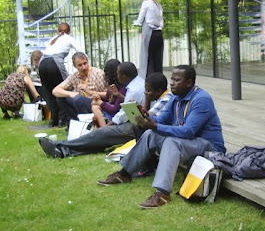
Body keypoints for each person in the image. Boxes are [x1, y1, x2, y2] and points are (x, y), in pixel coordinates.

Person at [97, 65, 225, 209]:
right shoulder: (175, 97)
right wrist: (145, 117)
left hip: (209, 147)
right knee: (151, 134)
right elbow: (161, 119)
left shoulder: (201, 99)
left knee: (171, 141)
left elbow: (188, 131)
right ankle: (124, 174)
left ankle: (163, 193)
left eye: (177, 80)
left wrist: (155, 125)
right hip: (188, 142)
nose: (172, 83)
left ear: (189, 83)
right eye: (172, 79)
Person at [38, 71, 170, 159]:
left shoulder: (165, 98)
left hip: (141, 127)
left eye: (148, 91)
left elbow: (148, 117)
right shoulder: (153, 94)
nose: (145, 93)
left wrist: (145, 101)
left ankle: (61, 145)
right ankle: (64, 150)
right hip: (138, 125)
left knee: (101, 134)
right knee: (102, 139)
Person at [38, 23, 82, 127]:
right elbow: (80, 52)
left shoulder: (53, 39)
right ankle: (63, 119)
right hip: (54, 63)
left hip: (42, 63)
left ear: (57, 31)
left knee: (49, 91)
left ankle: (53, 119)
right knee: (64, 89)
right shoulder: (69, 38)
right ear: (69, 31)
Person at [53, 52, 107, 121]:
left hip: (96, 103)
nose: (84, 67)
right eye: (80, 65)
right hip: (80, 102)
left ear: (88, 62)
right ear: (74, 66)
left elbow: (108, 95)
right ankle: (75, 121)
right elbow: (55, 91)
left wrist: (92, 92)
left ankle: (87, 122)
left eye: (85, 63)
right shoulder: (74, 76)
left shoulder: (98, 73)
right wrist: (70, 93)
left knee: (78, 99)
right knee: (61, 98)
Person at [133, 0, 164, 79]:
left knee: (147, 56)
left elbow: (141, 16)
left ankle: (148, 77)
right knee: (158, 57)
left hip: (149, 32)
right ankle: (158, 77)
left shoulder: (146, 3)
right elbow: (161, 19)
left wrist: (137, 22)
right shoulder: (157, 4)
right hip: (158, 32)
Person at [91, 59, 123, 128]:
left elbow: (114, 110)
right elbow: (107, 99)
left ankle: (104, 129)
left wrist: (100, 102)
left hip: (117, 116)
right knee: (95, 107)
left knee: (95, 107)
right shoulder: (111, 86)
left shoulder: (122, 88)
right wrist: (98, 98)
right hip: (110, 113)